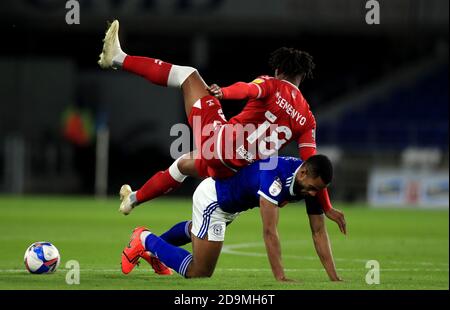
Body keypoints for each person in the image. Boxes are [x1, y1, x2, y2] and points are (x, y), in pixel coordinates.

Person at [98, 20, 344, 229]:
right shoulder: (307, 118)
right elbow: (311, 164)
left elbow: (247, 89)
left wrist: (223, 93)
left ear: (279, 70)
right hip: (237, 171)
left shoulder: (271, 84)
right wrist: (328, 207)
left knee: (188, 75)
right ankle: (133, 199)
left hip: (219, 145)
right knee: (183, 164)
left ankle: (118, 58)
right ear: (301, 78)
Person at [121, 155, 345, 281]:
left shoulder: (310, 183)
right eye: (314, 189)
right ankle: (144, 239)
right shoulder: (274, 178)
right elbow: (269, 231)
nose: (315, 195)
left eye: (320, 190)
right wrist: (280, 277)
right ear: (304, 173)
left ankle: (153, 252)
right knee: (200, 271)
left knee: (196, 232)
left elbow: (318, 232)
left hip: (232, 205)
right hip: (215, 200)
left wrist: (334, 279)